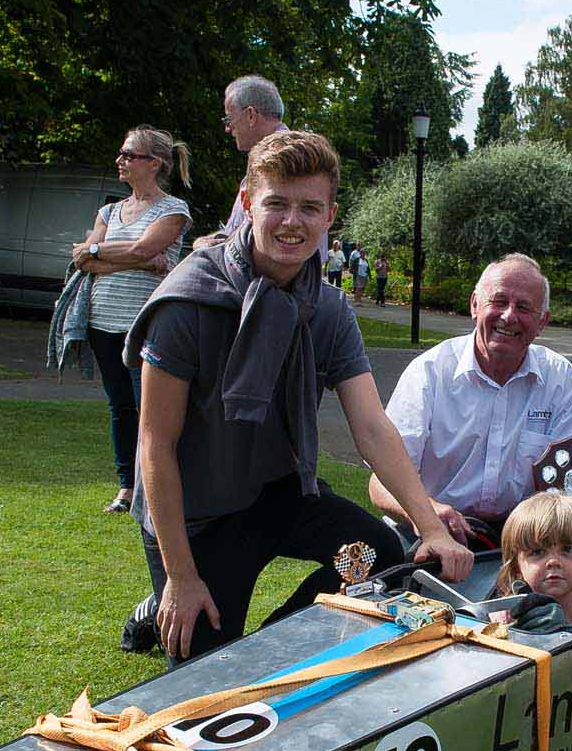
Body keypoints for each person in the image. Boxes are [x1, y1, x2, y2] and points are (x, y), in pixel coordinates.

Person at [130, 130, 470, 661]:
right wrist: (181, 576)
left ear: (330, 215)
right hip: (197, 515)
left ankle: (268, 656)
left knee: (381, 557)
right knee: (197, 672)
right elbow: (155, 444)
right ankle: (163, 605)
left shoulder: (329, 309)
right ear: (247, 203)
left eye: (310, 207)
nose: (293, 222)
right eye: (277, 204)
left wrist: (430, 528)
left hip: (276, 492)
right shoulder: (187, 302)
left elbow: (373, 428)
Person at [370, 254, 572, 549]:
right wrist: (428, 513)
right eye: (498, 302)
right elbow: (380, 482)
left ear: (542, 322)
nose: (509, 316)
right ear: (475, 305)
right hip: (430, 525)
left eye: (524, 307)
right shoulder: (430, 372)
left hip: (524, 536)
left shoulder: (561, 380)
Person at [70, 127, 192, 511]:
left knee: (151, 413)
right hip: (101, 322)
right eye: (121, 154)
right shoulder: (109, 210)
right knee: (119, 406)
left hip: (145, 327)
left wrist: (100, 252)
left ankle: (152, 487)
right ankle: (126, 487)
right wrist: (135, 260)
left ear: (154, 163)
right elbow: (82, 260)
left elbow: (145, 247)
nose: (120, 160)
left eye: (129, 154)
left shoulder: (172, 210)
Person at [496, 490, 572, 631]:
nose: (553, 561)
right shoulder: (502, 617)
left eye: (567, 549)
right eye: (538, 552)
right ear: (517, 568)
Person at [219, 75, 290, 235]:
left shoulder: (287, 160)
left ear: (250, 115)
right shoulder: (268, 158)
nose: (228, 129)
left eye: (229, 119)